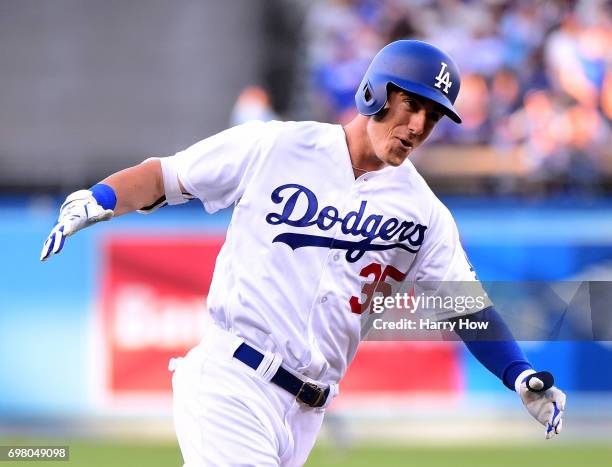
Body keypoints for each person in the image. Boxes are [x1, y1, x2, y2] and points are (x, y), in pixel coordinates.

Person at [40, 40, 566, 466]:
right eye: (412, 105)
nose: (419, 127)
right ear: (375, 93)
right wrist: (100, 198)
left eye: (434, 117)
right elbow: (167, 176)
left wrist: (518, 372)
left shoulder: (424, 211)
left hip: (308, 412)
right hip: (234, 380)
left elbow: (465, 306)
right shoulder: (280, 146)